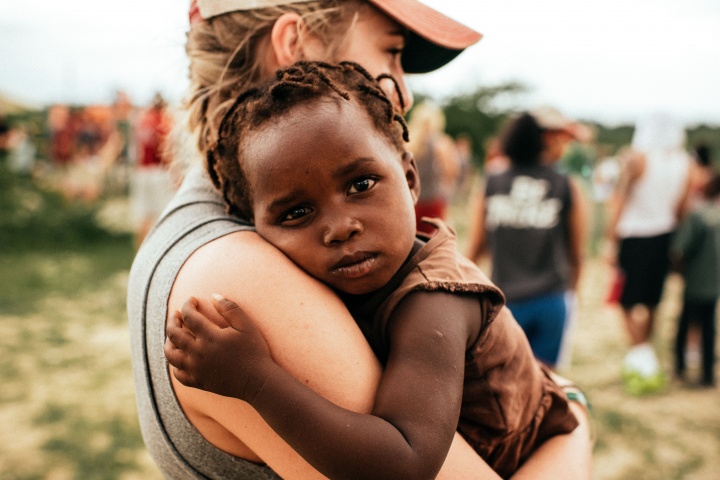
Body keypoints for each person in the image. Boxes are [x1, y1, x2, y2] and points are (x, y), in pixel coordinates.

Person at [127, 1, 591, 478]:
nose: (404, 94)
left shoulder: (190, 229)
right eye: (391, 53)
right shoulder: (233, 271)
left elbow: (405, 456)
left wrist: (566, 414)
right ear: (295, 46)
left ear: (409, 178)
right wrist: (575, 421)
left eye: (361, 185)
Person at [465, 108, 586, 370]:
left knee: (504, 386)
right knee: (544, 386)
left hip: (504, 301)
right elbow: (576, 250)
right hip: (551, 299)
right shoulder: (564, 183)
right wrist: (573, 292)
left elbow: (475, 246)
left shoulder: (492, 182)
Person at [605, 111, 692, 395]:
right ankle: (645, 354)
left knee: (626, 298)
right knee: (653, 298)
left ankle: (640, 351)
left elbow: (620, 198)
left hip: (634, 235)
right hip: (663, 235)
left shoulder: (638, 157)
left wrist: (610, 239)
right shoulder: (684, 162)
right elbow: (681, 207)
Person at [669, 173, 720, 388]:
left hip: (696, 282)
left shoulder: (698, 216)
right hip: (714, 283)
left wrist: (677, 269)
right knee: (709, 328)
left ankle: (680, 367)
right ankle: (707, 374)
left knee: (684, 326)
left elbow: (680, 250)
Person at [407, 100, 460, 235]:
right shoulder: (441, 143)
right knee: (432, 242)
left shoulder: (408, 142)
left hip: (411, 201)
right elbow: (451, 173)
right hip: (433, 200)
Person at [130, 93, 175, 247]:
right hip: (158, 172)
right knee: (161, 215)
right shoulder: (163, 122)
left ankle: (139, 254)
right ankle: (156, 250)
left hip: (141, 171)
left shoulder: (142, 121)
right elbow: (165, 150)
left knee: (143, 215)